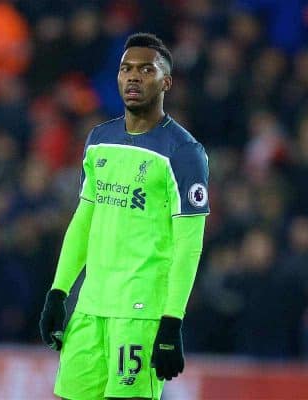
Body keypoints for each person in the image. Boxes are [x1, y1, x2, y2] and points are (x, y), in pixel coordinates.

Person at [39, 33, 209, 400]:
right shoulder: (99, 139)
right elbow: (84, 220)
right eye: (126, 69)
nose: (133, 77)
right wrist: (58, 293)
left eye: (146, 70)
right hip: (89, 309)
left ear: (166, 81)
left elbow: (189, 245)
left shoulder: (184, 153)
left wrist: (171, 321)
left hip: (140, 315)